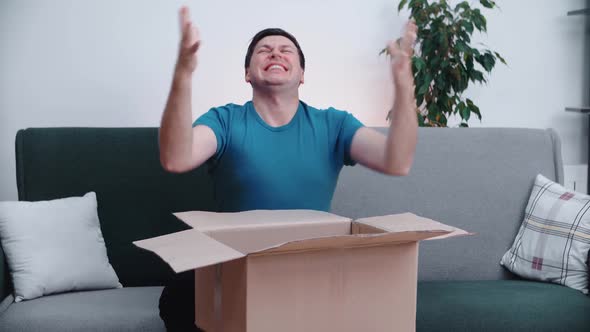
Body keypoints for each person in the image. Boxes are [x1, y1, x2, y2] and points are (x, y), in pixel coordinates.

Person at [158, 6, 418, 332]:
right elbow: (176, 158)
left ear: (302, 74)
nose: (275, 54)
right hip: (236, 263)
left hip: (307, 263)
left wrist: (404, 87)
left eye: (286, 50)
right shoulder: (224, 120)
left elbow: (397, 161)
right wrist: (183, 74)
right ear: (247, 74)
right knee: (177, 298)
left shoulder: (333, 124)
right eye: (263, 51)